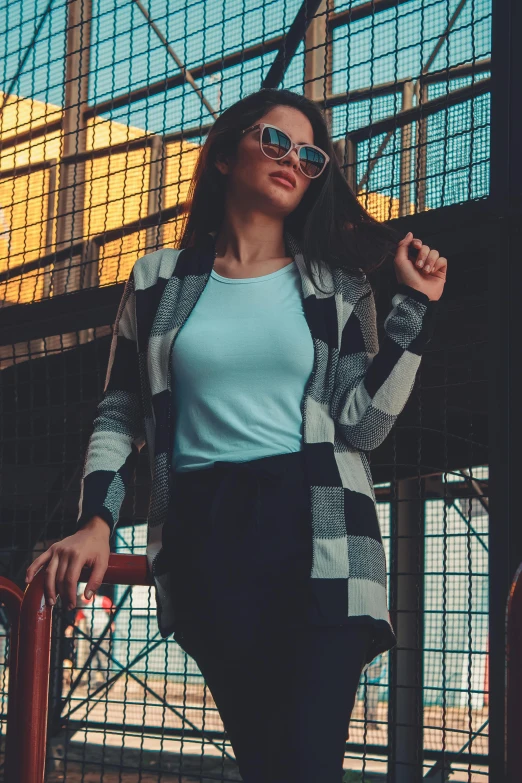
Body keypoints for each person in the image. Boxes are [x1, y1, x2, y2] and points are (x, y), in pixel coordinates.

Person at [25, 88, 447, 782]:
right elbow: (119, 413)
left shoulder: (338, 287)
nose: (292, 161)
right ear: (224, 155)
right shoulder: (159, 280)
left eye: (310, 156)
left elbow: (363, 424)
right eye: (274, 141)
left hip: (323, 542)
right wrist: (98, 518)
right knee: (267, 766)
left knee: (305, 766)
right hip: (205, 545)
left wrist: (414, 315)